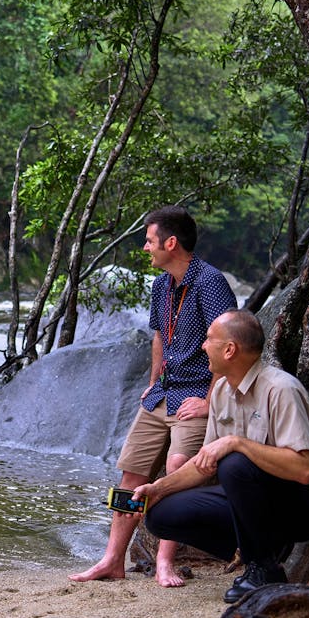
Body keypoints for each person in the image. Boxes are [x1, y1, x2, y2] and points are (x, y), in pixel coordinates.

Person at [70, 206, 236, 586]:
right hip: (161, 392)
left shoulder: (211, 283)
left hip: (196, 392)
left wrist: (212, 401)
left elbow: (229, 342)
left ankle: (165, 560)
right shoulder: (161, 285)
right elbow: (160, 336)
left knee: (178, 467)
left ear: (171, 243)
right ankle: (112, 560)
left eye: (149, 240)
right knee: (130, 475)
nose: (146, 247)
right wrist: (151, 381)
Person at [132, 309, 309, 602]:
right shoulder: (221, 390)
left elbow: (305, 469)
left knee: (234, 463)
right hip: (259, 498)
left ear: (230, 350)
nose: (203, 346)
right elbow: (205, 463)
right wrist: (158, 489)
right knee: (161, 516)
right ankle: (263, 552)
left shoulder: (280, 389)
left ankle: (264, 570)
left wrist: (237, 443)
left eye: (209, 340)